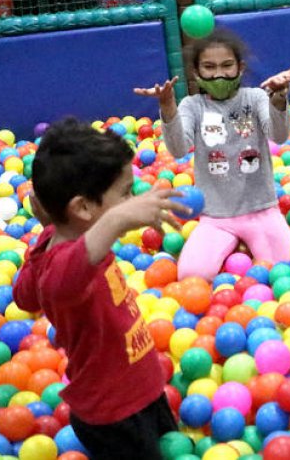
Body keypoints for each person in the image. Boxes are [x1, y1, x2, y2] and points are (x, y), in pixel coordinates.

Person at [14, 118, 185, 458]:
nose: (133, 200)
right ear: (82, 208)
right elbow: (54, 284)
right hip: (115, 414)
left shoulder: (57, 242)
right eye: (125, 193)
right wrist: (118, 218)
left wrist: (50, 227)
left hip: (143, 388)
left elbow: (25, 295)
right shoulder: (64, 269)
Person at [135, 28, 290, 280]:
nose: (219, 74)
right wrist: (168, 107)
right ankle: (232, 244)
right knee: (191, 275)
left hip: (261, 210)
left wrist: (278, 97)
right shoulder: (193, 105)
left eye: (227, 65)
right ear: (196, 72)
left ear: (240, 67)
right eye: (209, 67)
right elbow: (179, 148)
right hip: (215, 216)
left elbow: (278, 135)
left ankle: (241, 246)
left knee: (289, 273)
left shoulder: (255, 98)